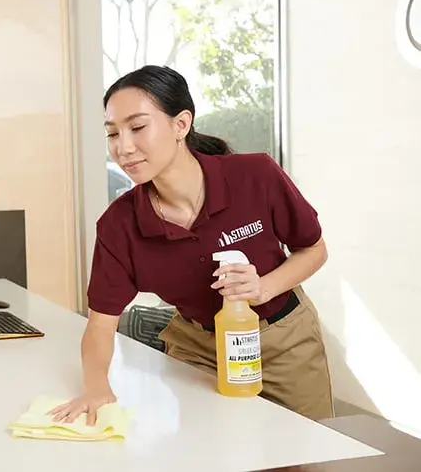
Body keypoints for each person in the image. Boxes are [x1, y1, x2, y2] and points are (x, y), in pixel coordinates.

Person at [49, 65, 333, 425]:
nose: (123, 147)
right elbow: (101, 326)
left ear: (181, 124)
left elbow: (314, 249)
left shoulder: (256, 175)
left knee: (312, 451)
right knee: (210, 447)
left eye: (137, 127)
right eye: (112, 133)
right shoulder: (118, 226)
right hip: (199, 348)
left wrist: (263, 287)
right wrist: (95, 387)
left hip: (282, 340)